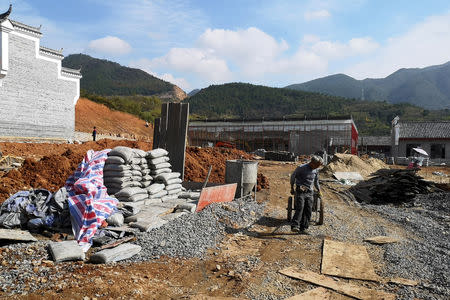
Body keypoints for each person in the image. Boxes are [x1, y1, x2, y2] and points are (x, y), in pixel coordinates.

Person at [290, 155, 323, 234]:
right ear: (312, 163)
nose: (318, 167)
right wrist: (292, 187)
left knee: (308, 209)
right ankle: (295, 225)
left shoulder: (316, 170)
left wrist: (319, 190)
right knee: (300, 207)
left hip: (310, 192)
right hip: (300, 190)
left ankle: (304, 228)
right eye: (317, 165)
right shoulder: (301, 168)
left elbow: (316, 181)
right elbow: (293, 177)